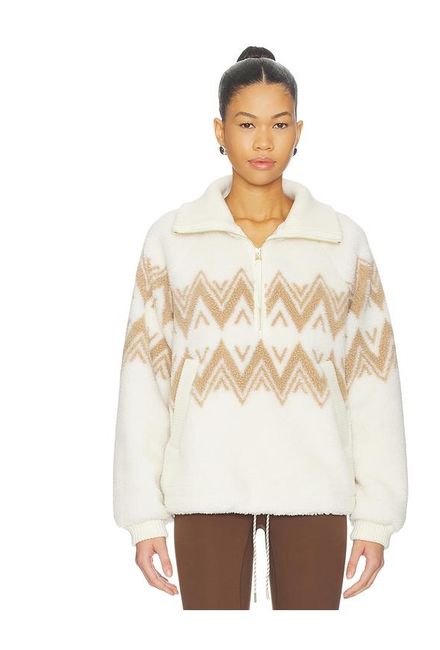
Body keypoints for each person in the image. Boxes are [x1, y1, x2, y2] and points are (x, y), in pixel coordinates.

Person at [112, 45, 408, 610]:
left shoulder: (341, 241)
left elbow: (374, 381)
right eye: (247, 124)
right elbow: (144, 378)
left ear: (299, 132)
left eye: (279, 124)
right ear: (219, 131)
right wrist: (142, 515)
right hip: (205, 485)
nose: (264, 142)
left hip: (315, 487)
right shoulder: (172, 238)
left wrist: (377, 517)